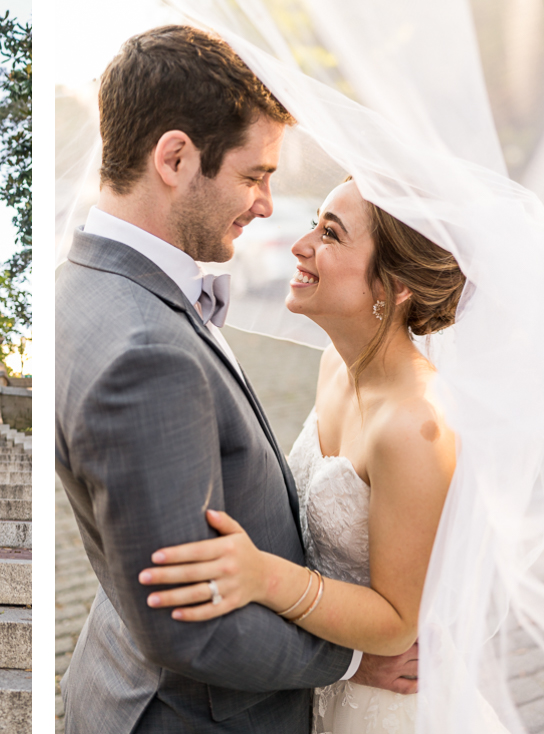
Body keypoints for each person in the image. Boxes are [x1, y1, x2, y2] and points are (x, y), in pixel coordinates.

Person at [54, 26, 414, 734]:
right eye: (254, 176)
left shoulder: (86, 282)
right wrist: (350, 663)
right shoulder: (143, 354)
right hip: (193, 714)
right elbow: (189, 629)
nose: (263, 204)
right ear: (176, 158)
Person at [138, 178, 492, 733]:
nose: (301, 244)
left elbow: (399, 624)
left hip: (390, 708)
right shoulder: (334, 362)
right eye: (315, 222)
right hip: (319, 687)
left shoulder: (415, 425)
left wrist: (262, 578)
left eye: (330, 233)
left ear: (395, 286)